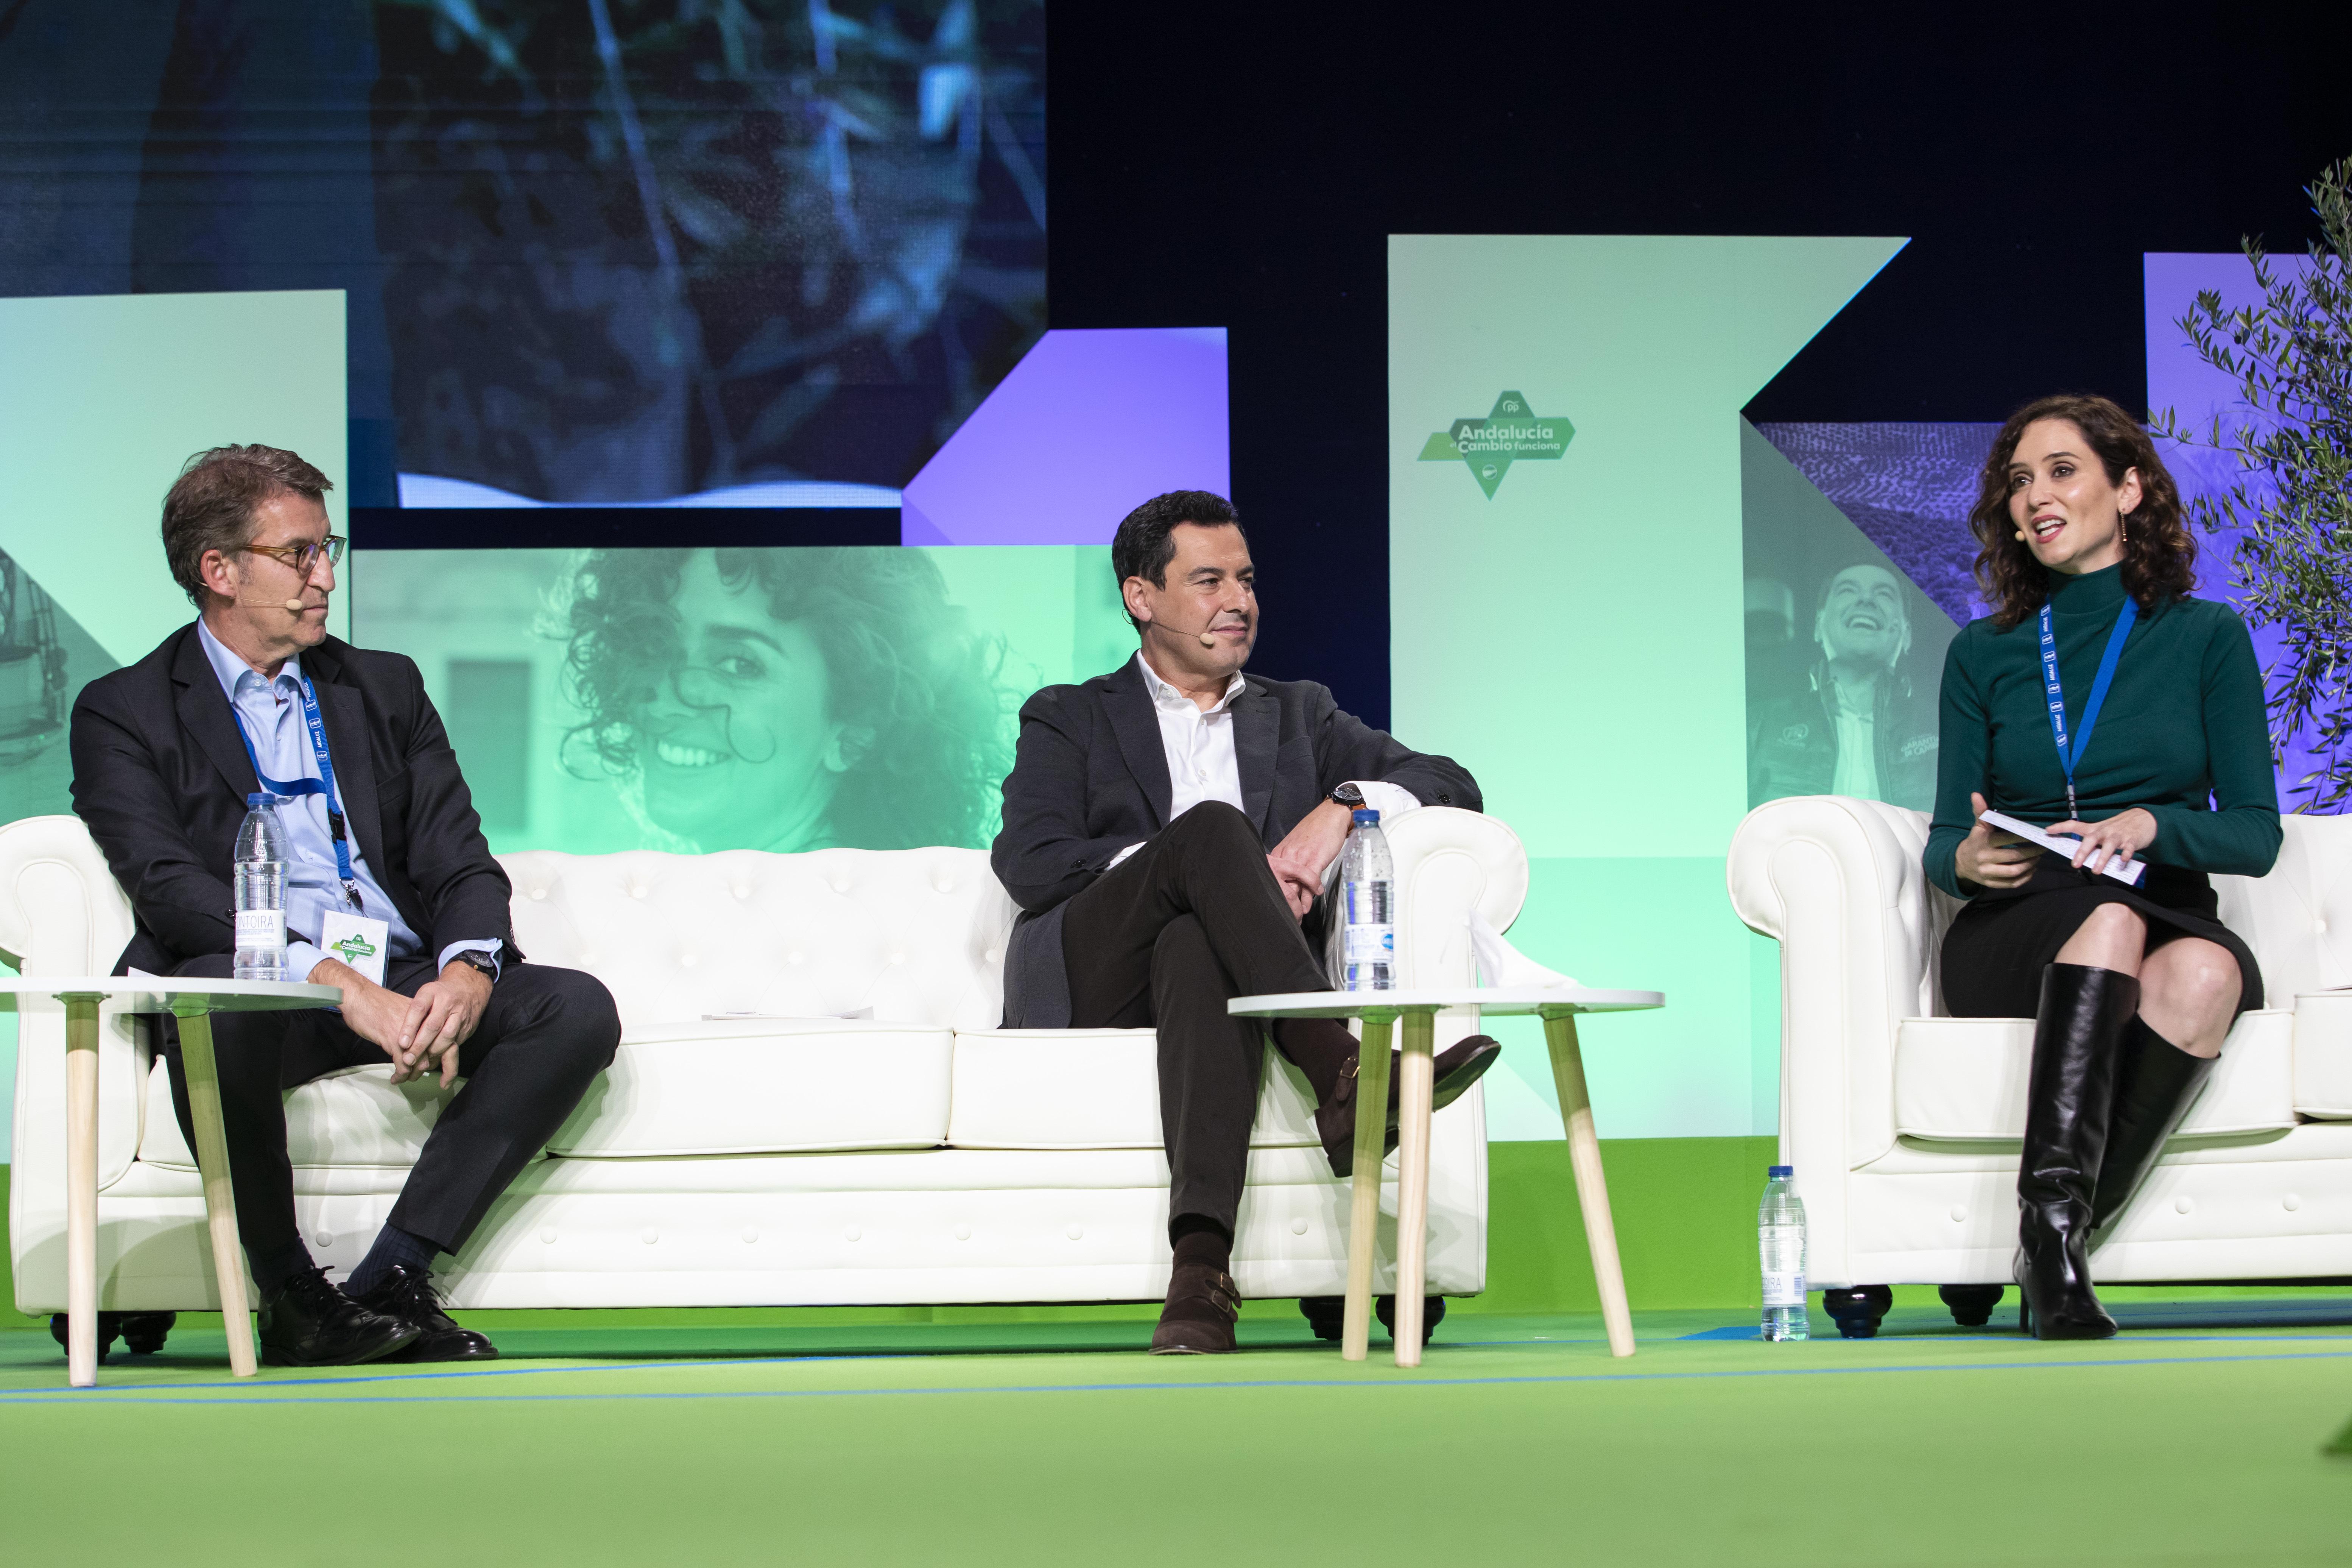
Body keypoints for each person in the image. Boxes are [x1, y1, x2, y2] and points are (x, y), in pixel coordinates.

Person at [70, 445, 622, 1367]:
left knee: (572, 1006)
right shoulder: (125, 710)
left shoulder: (383, 685)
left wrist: (465, 967)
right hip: (270, 984)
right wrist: (331, 981)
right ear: (219, 570)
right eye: (300, 554)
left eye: (329, 548)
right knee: (218, 1003)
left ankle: (391, 1275)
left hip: (398, 973)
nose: (326, 574)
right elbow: (173, 890)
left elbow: (462, 860)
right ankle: (289, 1293)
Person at [992, 490, 1501, 1354]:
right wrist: (1184, 868)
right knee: (1210, 835)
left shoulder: (1298, 711)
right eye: (1208, 579)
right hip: (1095, 966)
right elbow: (1031, 861)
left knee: (1196, 940)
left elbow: (1451, 782)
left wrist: (1347, 803)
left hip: (1218, 975)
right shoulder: (1068, 713)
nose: (1239, 600)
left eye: (1246, 579)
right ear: (1140, 596)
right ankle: (1342, 1069)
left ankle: (1198, 1277)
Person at [1924, 395, 2279, 1339]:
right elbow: (1936, 843)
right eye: (2016, 480)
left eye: (2059, 471)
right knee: (2106, 922)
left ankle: (2047, 1238)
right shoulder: (1982, 653)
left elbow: (2253, 834)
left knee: (2208, 967)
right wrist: (1963, 858)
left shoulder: (2206, 637)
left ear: (2127, 489)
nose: (2032, 496)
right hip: (2019, 924)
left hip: (2157, 904)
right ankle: (2047, 1243)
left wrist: (2150, 824)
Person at [557, 547, 1008, 852]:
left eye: (739, 664)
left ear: (855, 730)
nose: (666, 698)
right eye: (654, 642)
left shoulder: (852, 933)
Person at [1748, 562, 1938, 810]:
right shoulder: (1759, 725)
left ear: (1907, 635)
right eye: (1848, 590)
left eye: (1884, 594)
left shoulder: (1947, 728)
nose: (1866, 600)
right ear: (1819, 626)